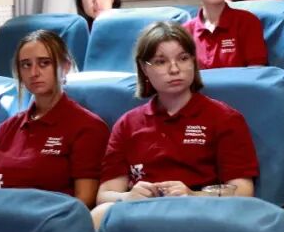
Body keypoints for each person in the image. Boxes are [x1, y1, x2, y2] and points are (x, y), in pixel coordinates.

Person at [94, 22, 259, 221]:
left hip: (200, 215)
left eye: (183, 58)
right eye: (161, 61)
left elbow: (243, 190)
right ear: (144, 68)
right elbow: (105, 194)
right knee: (99, 214)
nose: (174, 69)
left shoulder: (224, 118)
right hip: (142, 215)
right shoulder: (127, 124)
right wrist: (128, 197)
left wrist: (193, 195)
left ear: (193, 61)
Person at [0, 30, 108, 206]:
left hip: (50, 219)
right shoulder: (7, 128)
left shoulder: (88, 127)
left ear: (65, 67)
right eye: (26, 65)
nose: (34, 72)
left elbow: (84, 201)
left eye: (44, 63)